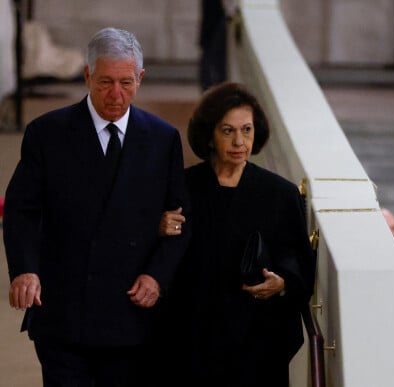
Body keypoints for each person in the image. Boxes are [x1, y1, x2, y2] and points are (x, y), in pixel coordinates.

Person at [2, 27, 190, 387]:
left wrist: (157, 276)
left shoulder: (163, 139)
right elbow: (22, 209)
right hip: (63, 311)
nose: (116, 95)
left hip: (131, 314)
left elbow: (182, 221)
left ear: (141, 79)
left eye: (126, 82)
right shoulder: (47, 133)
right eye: (105, 82)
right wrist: (25, 270)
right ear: (87, 76)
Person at [154, 81, 315, 387]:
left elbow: (299, 261)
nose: (240, 141)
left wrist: (282, 283)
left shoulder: (280, 193)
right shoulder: (182, 188)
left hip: (256, 343)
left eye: (247, 130)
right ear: (210, 135)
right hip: (191, 340)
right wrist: (157, 225)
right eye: (228, 130)